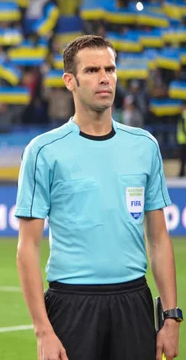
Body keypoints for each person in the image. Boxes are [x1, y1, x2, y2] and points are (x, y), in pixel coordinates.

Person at [15, 35, 181, 360]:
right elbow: (28, 247)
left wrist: (171, 317)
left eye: (110, 68)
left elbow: (159, 238)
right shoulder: (44, 151)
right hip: (71, 304)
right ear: (70, 81)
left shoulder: (144, 145)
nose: (105, 77)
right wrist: (43, 331)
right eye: (92, 70)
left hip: (134, 301)